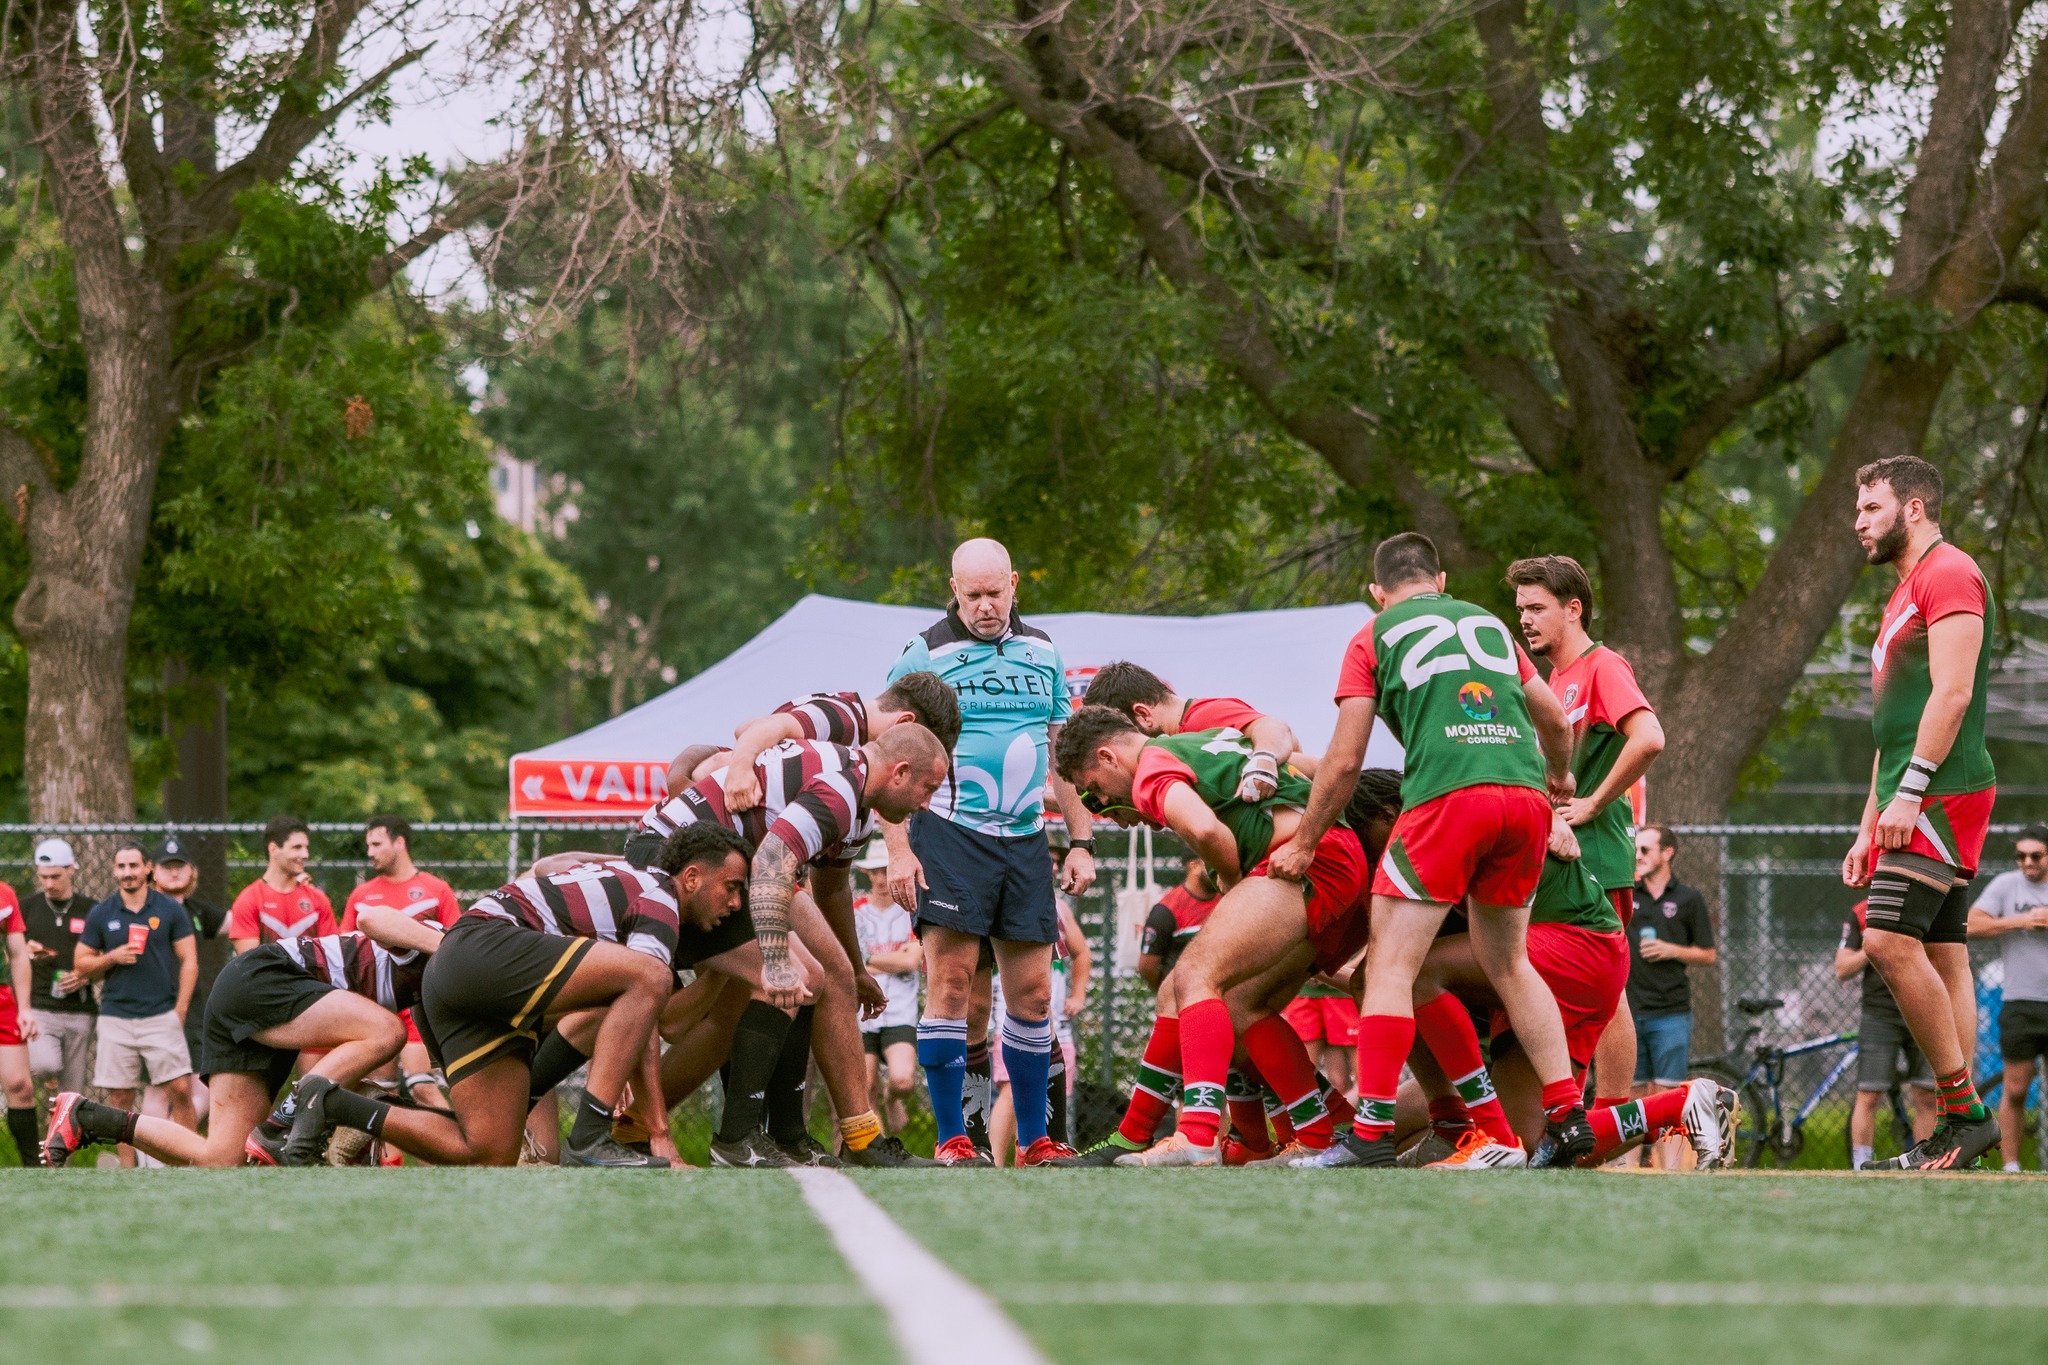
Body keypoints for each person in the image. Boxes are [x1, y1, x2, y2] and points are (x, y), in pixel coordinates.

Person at [1270, 531, 1588, 1168]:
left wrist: (1305, 843)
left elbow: (1346, 759)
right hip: (1522, 800)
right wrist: (1558, 777)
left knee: (1387, 967)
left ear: (1377, 593)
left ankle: (1369, 1136)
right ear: (1441, 581)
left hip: (1447, 799)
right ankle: (1570, 1115)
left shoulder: (1372, 635)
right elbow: (1554, 717)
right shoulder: (1489, 625)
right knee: (1510, 963)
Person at [285, 827, 763, 1169]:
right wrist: (659, 1135)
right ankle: (591, 1133)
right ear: (693, 877)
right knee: (648, 978)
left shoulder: (629, 902)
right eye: (733, 888)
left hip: (453, 986)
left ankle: (332, 1102)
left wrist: (726, 970)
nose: (737, 904)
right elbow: (652, 991)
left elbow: (662, 1021)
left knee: (490, 1152)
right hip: (480, 949)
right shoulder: (659, 896)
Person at [1051, 707, 1391, 1167]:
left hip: (1308, 861)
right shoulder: (1202, 740)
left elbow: (1205, 828)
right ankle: (1321, 1131)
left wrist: (1231, 881)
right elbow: (1299, 757)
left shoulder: (1151, 765)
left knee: (1193, 974)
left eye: (1094, 790)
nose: (1101, 805)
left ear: (1109, 756)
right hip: (1334, 856)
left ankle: (1196, 1134)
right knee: (1234, 1004)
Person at [628, 728, 949, 1168]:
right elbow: (769, 864)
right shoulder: (840, 785)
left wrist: (856, 968)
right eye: (927, 789)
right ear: (900, 772)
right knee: (798, 977)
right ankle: (732, 1136)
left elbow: (831, 889)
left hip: (725, 865)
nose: (927, 802)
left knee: (819, 975)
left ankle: (790, 1133)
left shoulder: (858, 803)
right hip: (672, 863)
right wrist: (777, 962)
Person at [883, 538, 1097, 1167]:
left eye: (993, 593)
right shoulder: (924, 652)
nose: (983, 606)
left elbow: (1062, 751)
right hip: (950, 833)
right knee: (954, 989)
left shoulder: (1045, 652)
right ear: (952, 589)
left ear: (1014, 585)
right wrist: (898, 849)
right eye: (971, 595)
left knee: (1032, 996)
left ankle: (1036, 1141)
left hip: (1026, 839)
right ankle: (955, 1138)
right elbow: (887, 754)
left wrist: (1081, 840)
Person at [1843, 455, 2002, 1171]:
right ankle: (1956, 1126)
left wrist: (1909, 794)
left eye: (1870, 507)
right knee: (1944, 953)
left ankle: (1966, 1112)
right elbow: (1894, 721)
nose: (1858, 522)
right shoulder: (1905, 590)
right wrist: (1869, 819)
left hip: (1941, 789)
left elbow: (1952, 695)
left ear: (1912, 508)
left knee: (1884, 942)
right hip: (1911, 789)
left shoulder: (1949, 572)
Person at [44, 907, 445, 1168]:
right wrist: (445, 943)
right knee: (386, 1031)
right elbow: (369, 918)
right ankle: (283, 1126)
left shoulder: (458, 986)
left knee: (221, 1158)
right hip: (262, 977)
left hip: (248, 996)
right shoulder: (450, 943)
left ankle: (86, 1116)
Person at [1507, 555, 1665, 1118]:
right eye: (1520, 608)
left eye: (1537, 607)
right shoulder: (1553, 679)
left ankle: (1618, 1123)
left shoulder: (1603, 666)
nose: (1524, 619)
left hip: (1600, 856)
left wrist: (1593, 804)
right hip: (1565, 861)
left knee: (1610, 992)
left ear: (1574, 609)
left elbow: (1649, 737)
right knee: (1575, 993)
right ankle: (1566, 1114)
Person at [74, 844, 200, 1166]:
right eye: (121, 866)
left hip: (161, 1014)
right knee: (120, 1098)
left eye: (134, 865)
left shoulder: (170, 909)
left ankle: (190, 1161)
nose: (127, 872)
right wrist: (111, 957)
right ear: (115, 871)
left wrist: (180, 1010)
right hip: (116, 1016)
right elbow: (80, 964)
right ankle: (128, 1169)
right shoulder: (103, 912)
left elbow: (189, 960)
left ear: (147, 869)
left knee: (181, 1089)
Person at [342, 816, 462, 1108]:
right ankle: (388, 1157)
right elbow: (345, 948)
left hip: (419, 1003)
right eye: (367, 844)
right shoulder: (361, 895)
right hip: (375, 1004)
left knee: (422, 1089)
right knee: (381, 1094)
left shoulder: (436, 890)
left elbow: (457, 946)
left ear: (399, 842)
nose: (369, 851)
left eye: (376, 843)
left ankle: (462, 1152)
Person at [1628, 825, 1717, 1167]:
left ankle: (1670, 1171)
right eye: (1636, 850)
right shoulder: (1626, 894)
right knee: (1632, 1095)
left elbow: (1708, 954)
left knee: (1666, 1096)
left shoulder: (1688, 899)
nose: (1638, 856)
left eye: (1646, 850)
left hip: (1671, 1012)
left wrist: (1671, 949)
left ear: (1668, 853)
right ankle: (1627, 1166)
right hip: (1629, 1009)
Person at [1083, 662, 1307, 791]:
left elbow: (1274, 726)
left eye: (1124, 737)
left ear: (1143, 715)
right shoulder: (1183, 739)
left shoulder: (1201, 719)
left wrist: (1264, 759)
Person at [1967, 824, 2048, 1172]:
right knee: (2014, 1090)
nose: (2027, 862)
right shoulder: (2005, 885)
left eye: (2035, 855)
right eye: (2021, 856)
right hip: (2020, 1002)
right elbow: (1971, 925)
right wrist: (2020, 921)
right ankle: (2011, 1166)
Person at [1838, 898, 1938, 1169]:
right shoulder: (1862, 912)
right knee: (1869, 1095)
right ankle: (1861, 1165)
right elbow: (1842, 968)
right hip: (1880, 1014)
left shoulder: (1931, 903)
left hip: (1925, 1009)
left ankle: (1924, 1163)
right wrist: (1871, 948)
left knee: (1927, 1094)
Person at [151, 837, 228, 1115]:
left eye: (180, 866)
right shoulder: (143, 909)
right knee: (158, 1088)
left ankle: (173, 1145)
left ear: (192, 871)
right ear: (153, 872)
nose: (174, 872)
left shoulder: (197, 911)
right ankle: (149, 1159)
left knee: (201, 1087)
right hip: (154, 1009)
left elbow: (242, 922)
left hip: (193, 1010)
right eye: (167, 866)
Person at [17, 839, 96, 1101]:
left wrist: (85, 975)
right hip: (39, 1006)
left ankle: (63, 1140)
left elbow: (108, 956)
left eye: (55, 876)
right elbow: (10, 953)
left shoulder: (91, 910)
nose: (49, 883)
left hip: (79, 1008)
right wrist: (24, 950)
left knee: (72, 1094)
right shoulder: (27, 907)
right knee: (45, 1065)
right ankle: (50, 1086)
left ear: (71, 869)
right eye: (43, 877)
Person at [854, 843, 921, 1134]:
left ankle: (892, 1098)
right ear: (867, 874)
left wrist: (866, 960)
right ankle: (881, 1148)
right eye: (875, 872)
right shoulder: (855, 911)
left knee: (903, 1079)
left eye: (885, 871)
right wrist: (889, 960)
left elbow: (911, 961)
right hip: (862, 1012)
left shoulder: (910, 910)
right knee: (864, 1085)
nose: (881, 879)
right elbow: (848, 962)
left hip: (900, 1008)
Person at [229, 817, 338, 951]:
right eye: (297, 847)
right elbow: (250, 965)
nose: (305, 854)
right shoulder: (249, 899)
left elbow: (331, 956)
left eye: (306, 847)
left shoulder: (318, 899)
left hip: (308, 973)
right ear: (274, 849)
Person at [0, 878, 42, 1164]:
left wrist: (24, 1009)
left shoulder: (4, 894)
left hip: (3, 999)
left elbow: (18, 955)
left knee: (20, 1085)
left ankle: (34, 1170)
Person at [1137, 858, 1219, 992]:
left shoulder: (1228, 898)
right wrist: (1170, 994)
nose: (1219, 866)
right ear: (1194, 866)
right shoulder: (1166, 911)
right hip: (1183, 997)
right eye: (1211, 859)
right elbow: (1147, 967)